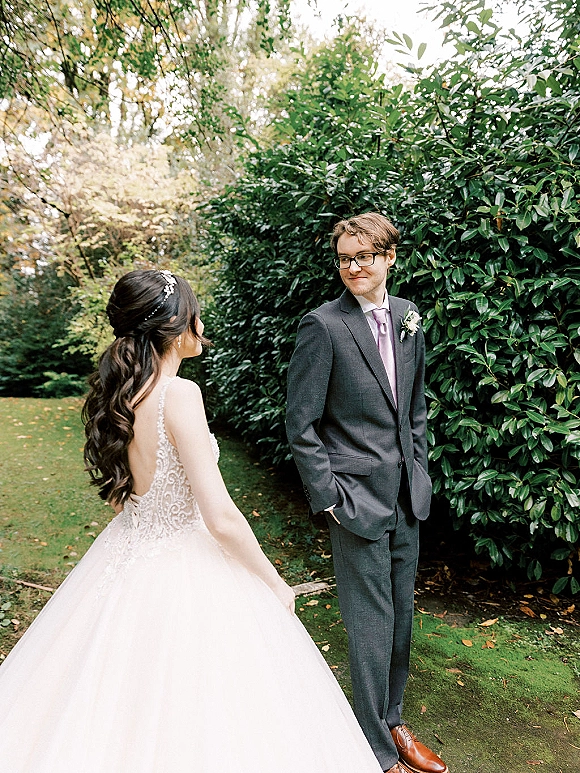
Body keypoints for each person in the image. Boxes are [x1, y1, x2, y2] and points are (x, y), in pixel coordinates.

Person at [0, 268, 385, 773]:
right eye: (195, 315)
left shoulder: (121, 395)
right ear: (177, 326)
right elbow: (221, 516)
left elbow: (127, 498)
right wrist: (274, 581)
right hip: (184, 558)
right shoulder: (178, 395)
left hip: (127, 552)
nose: (202, 326)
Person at [286, 213, 448, 773]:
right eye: (344, 258)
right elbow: (301, 425)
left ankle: (394, 721)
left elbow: (417, 407)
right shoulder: (323, 326)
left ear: (389, 258)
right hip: (354, 501)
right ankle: (376, 751)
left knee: (401, 615)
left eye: (364, 257)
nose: (353, 267)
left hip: (407, 497)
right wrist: (329, 497)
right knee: (370, 625)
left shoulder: (408, 318)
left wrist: (419, 471)